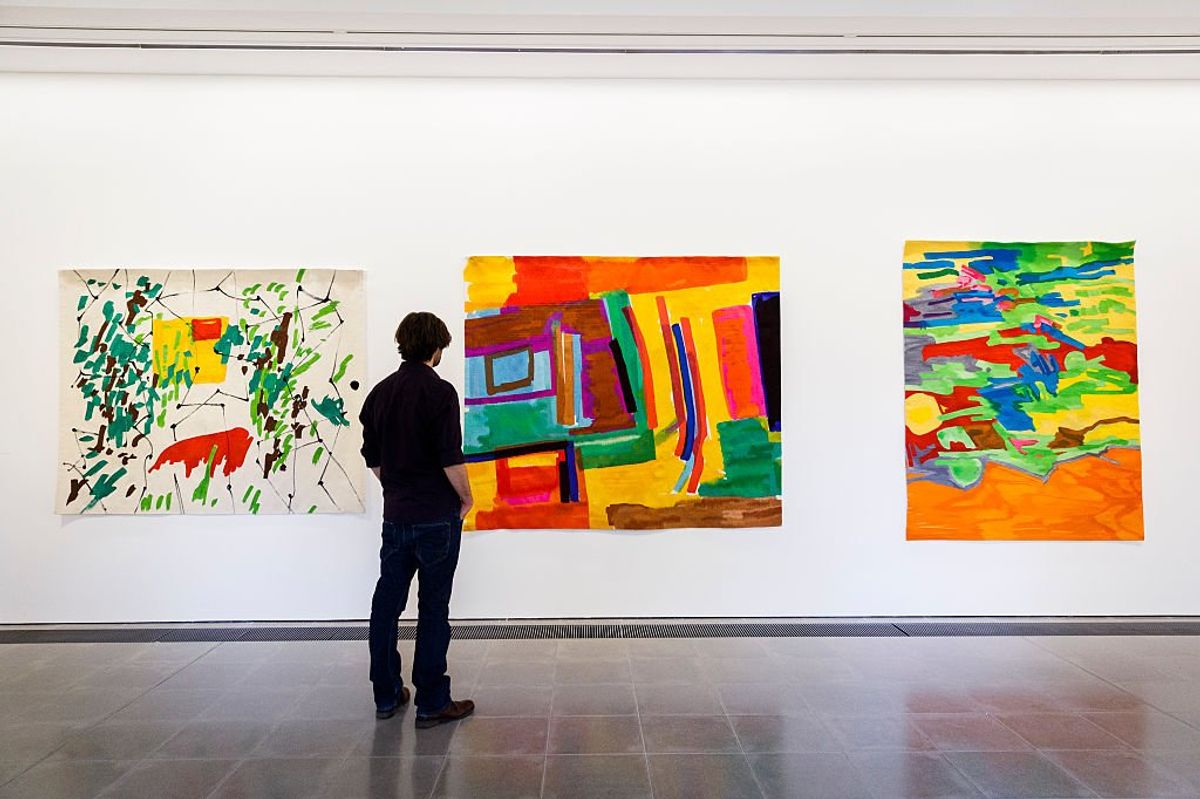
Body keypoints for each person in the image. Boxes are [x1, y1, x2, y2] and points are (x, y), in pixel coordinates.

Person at [360, 311, 475, 728]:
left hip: (397, 517)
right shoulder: (439, 392)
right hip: (436, 517)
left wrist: (397, 487)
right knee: (433, 607)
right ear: (436, 347)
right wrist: (466, 497)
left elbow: (372, 457)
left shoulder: (380, 393)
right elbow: (449, 457)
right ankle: (432, 702)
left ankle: (386, 694)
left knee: (386, 605)